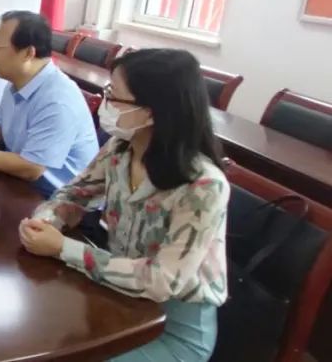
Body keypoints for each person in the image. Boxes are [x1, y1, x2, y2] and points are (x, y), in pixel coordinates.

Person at [19, 48, 228, 362]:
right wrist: (47, 221)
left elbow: (161, 280)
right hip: (117, 297)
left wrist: (63, 248)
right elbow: (73, 195)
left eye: (113, 96)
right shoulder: (120, 149)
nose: (105, 104)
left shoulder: (204, 186)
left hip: (173, 329)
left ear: (151, 112)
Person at [0, 11, 98, 196]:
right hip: (22, 185)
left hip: (60, 199)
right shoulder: (15, 81)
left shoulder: (58, 99)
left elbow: (31, 168)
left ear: (28, 53)